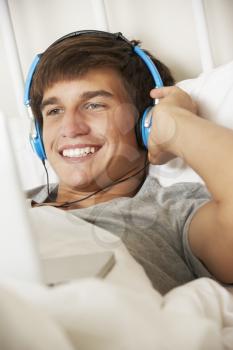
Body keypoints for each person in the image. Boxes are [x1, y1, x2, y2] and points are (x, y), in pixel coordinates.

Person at [27, 30, 233, 294]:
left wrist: (175, 124)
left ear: (144, 124)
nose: (70, 128)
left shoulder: (171, 215)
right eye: (54, 111)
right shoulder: (11, 206)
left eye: (94, 105)